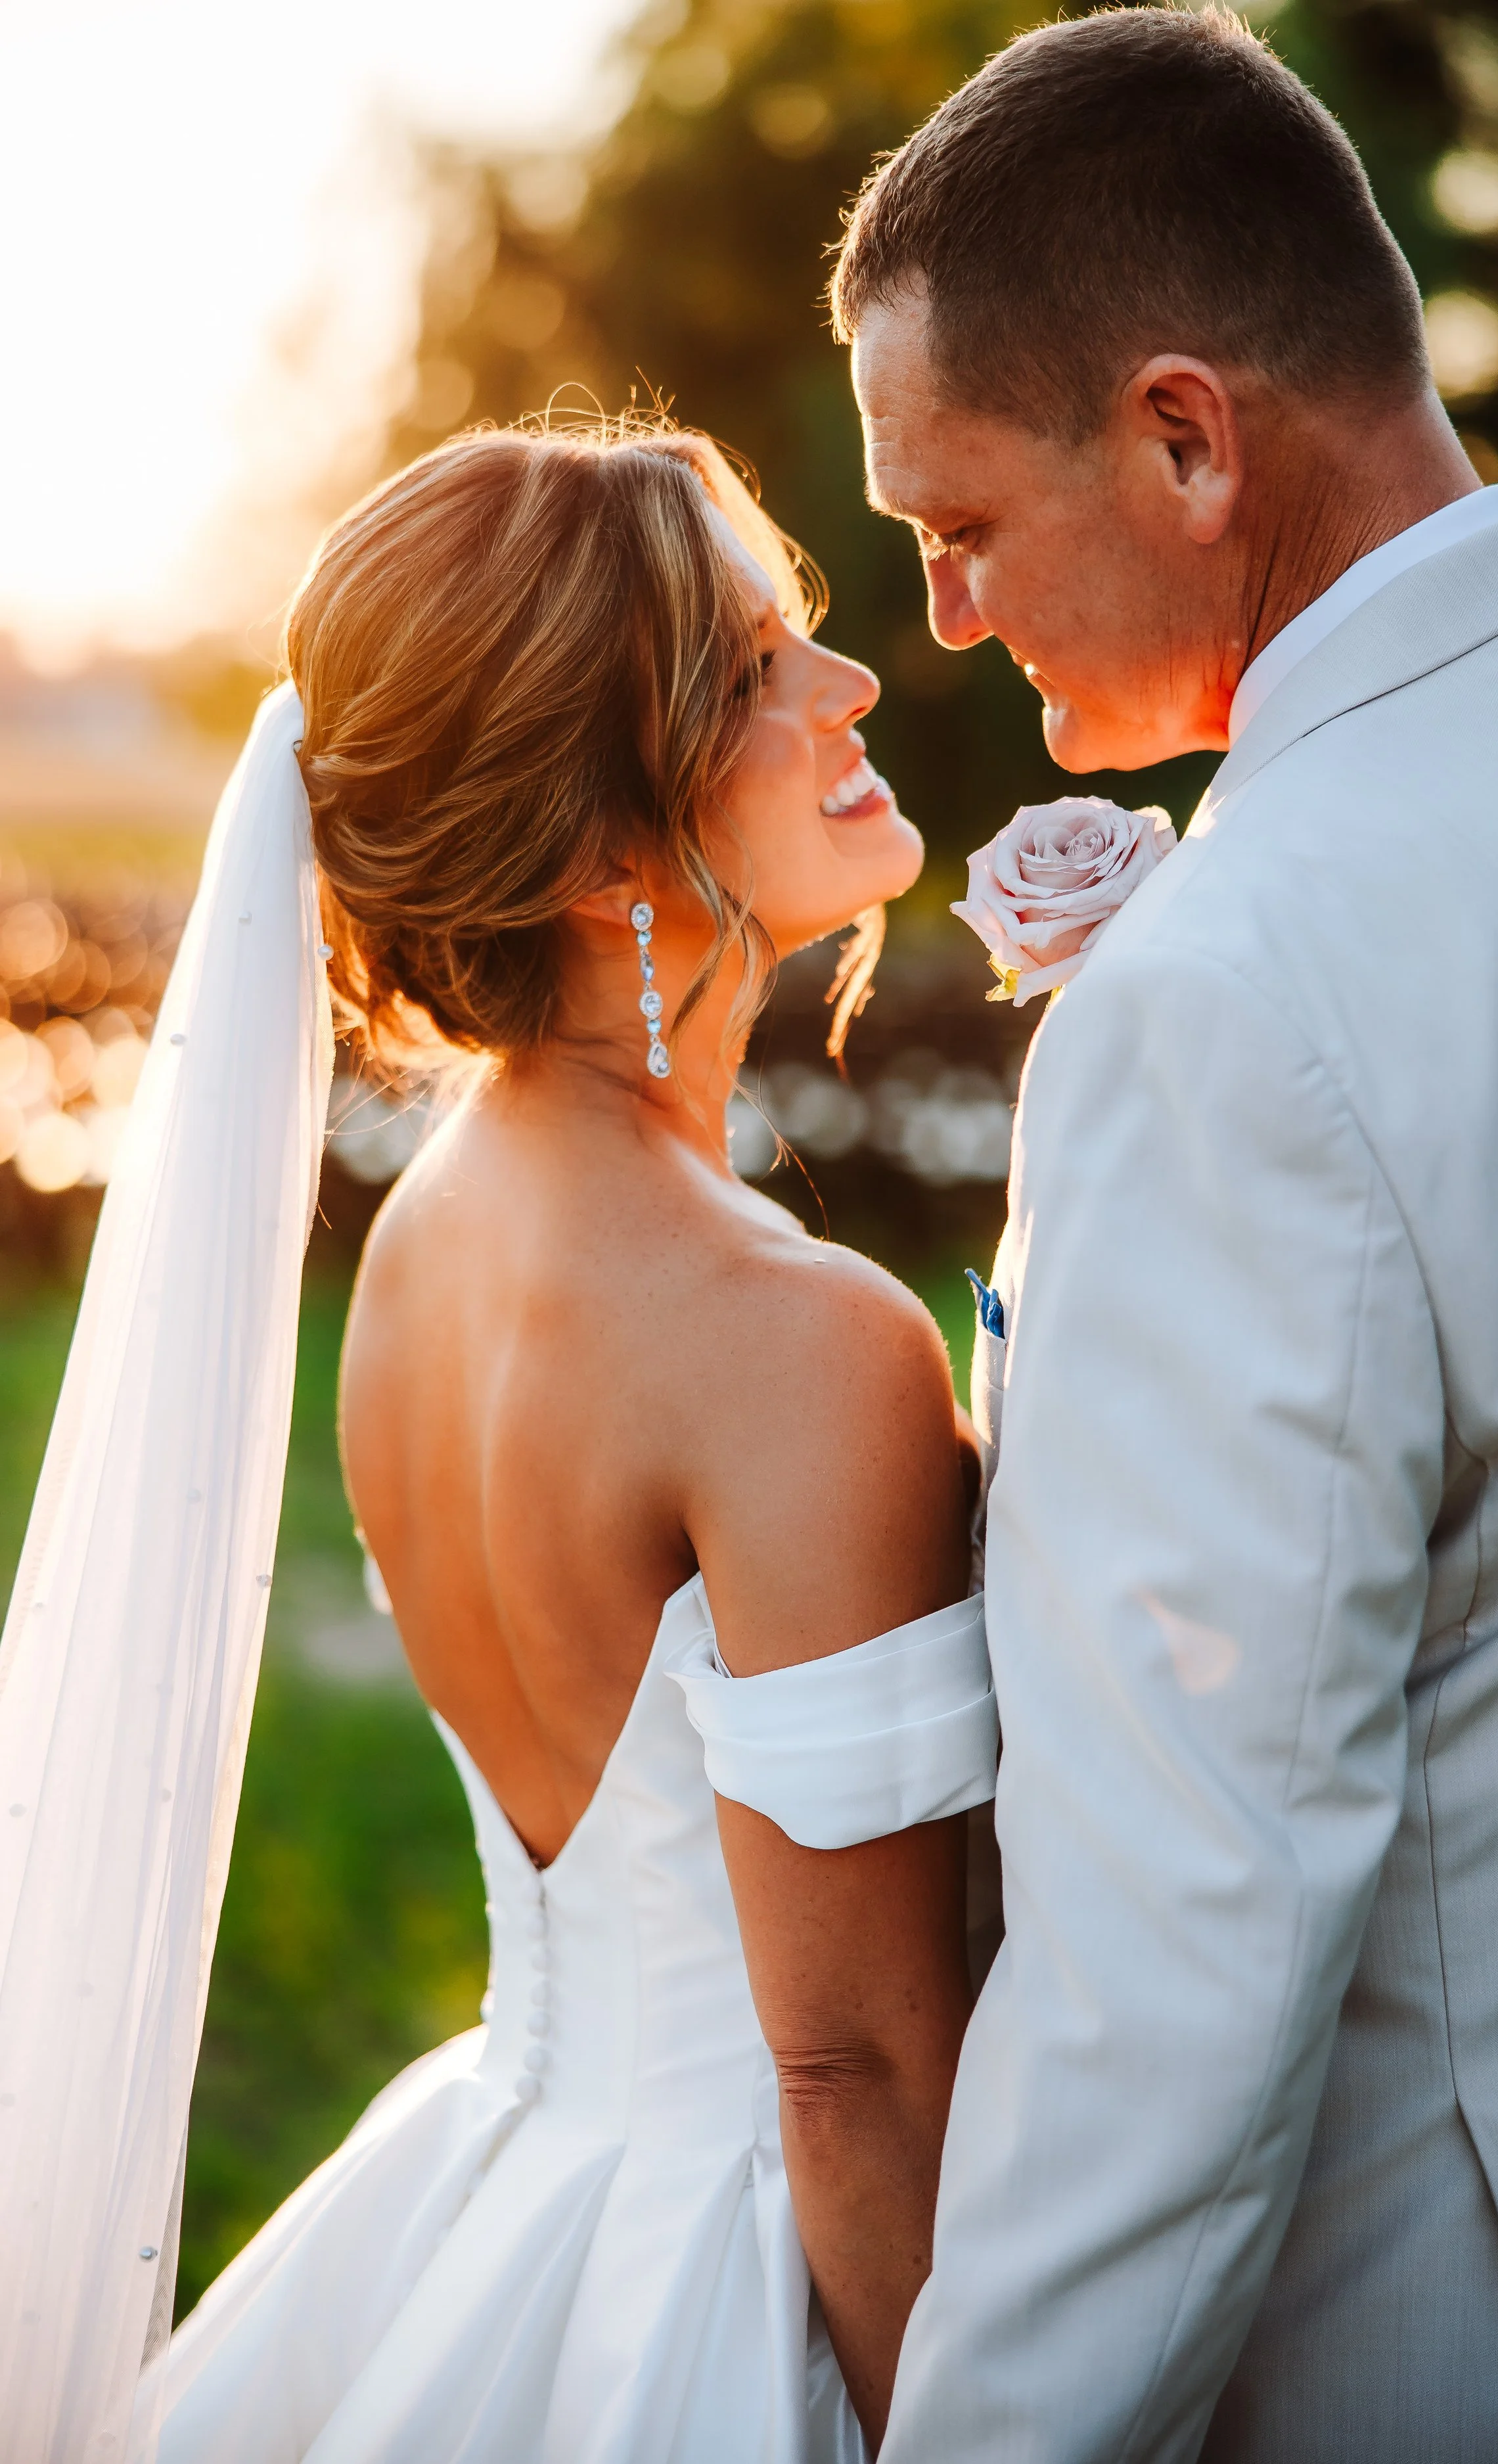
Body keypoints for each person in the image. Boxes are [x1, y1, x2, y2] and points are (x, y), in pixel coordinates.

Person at [2, 419, 999, 2462]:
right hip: (757, 2280)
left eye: (801, 628)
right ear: (579, 852)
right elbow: (855, 2067)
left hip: (511, 2189)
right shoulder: (795, 1339)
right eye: (746, 675)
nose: (853, 683)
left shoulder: (427, 1241)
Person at [834, 11, 1498, 2462]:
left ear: (1186, 436)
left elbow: (1180, 1943)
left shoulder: (1228, 994)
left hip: (1463, 2322)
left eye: (955, 524)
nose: (950, 619)